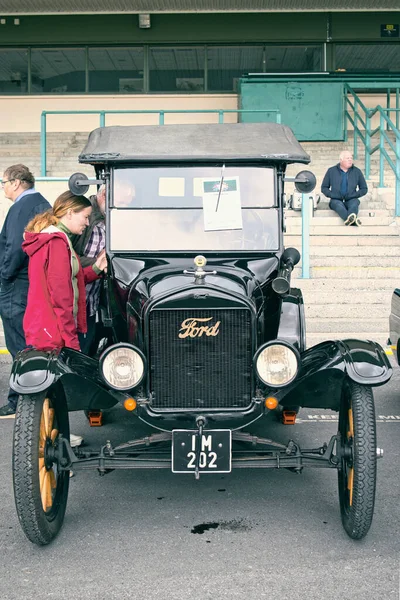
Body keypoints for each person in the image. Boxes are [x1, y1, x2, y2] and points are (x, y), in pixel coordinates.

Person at [22, 192, 107, 447]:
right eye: (84, 217)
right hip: (53, 327)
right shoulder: (58, 243)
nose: (85, 224)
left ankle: (57, 434)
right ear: (69, 213)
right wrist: (72, 341)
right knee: (56, 386)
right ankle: (58, 439)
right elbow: (62, 297)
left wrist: (94, 269)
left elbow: (72, 279)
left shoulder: (50, 239)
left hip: (42, 323)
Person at [0, 164, 50, 418]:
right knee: (28, 342)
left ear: (17, 182)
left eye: (4, 183)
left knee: (18, 344)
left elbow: (15, 248)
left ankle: (20, 399)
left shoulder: (21, 207)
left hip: (17, 285)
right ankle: (28, 396)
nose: (4, 188)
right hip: (31, 284)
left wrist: (4, 277)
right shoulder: (42, 203)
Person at [72, 185, 106, 355]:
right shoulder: (84, 219)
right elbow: (71, 260)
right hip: (78, 299)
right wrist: (98, 264)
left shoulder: (110, 217)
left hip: (92, 298)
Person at [321, 150, 368, 226]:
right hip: (336, 200)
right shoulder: (331, 171)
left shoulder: (357, 171)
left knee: (354, 204)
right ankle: (353, 221)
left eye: (351, 158)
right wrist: (332, 195)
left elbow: (364, 189)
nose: (350, 160)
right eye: (347, 158)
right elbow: (324, 188)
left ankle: (350, 220)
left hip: (351, 199)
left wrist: (354, 195)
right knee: (338, 206)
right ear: (341, 160)